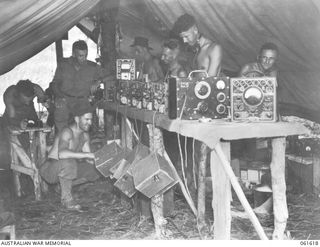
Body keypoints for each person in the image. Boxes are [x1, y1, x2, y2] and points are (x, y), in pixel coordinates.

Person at [40, 102, 100, 210]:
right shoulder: (67, 132)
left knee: (95, 170)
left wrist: (103, 163)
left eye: (91, 119)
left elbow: (90, 160)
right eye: (86, 119)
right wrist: (89, 155)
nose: (90, 122)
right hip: (50, 169)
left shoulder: (84, 135)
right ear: (77, 119)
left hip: (65, 168)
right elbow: (62, 154)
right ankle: (66, 199)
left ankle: (61, 188)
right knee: (69, 162)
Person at [51, 40, 106, 133]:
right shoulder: (63, 65)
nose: (84, 58)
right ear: (73, 54)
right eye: (80, 56)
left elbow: (109, 75)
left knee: (85, 127)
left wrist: (98, 81)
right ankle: (64, 142)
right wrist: (59, 97)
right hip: (66, 100)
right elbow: (54, 84)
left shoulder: (92, 67)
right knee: (60, 117)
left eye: (85, 55)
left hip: (83, 101)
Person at [172, 13, 223, 77]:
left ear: (195, 30)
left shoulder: (214, 49)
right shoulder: (193, 50)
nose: (184, 41)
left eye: (186, 36)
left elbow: (211, 82)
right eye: (182, 38)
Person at [3, 79, 46, 150]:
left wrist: (45, 101)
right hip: (13, 118)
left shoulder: (36, 89)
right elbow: (11, 118)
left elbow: (45, 101)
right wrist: (19, 124)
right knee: (13, 141)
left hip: (29, 113)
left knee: (37, 134)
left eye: (30, 100)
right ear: (17, 95)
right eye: (24, 101)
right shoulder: (10, 95)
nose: (27, 103)